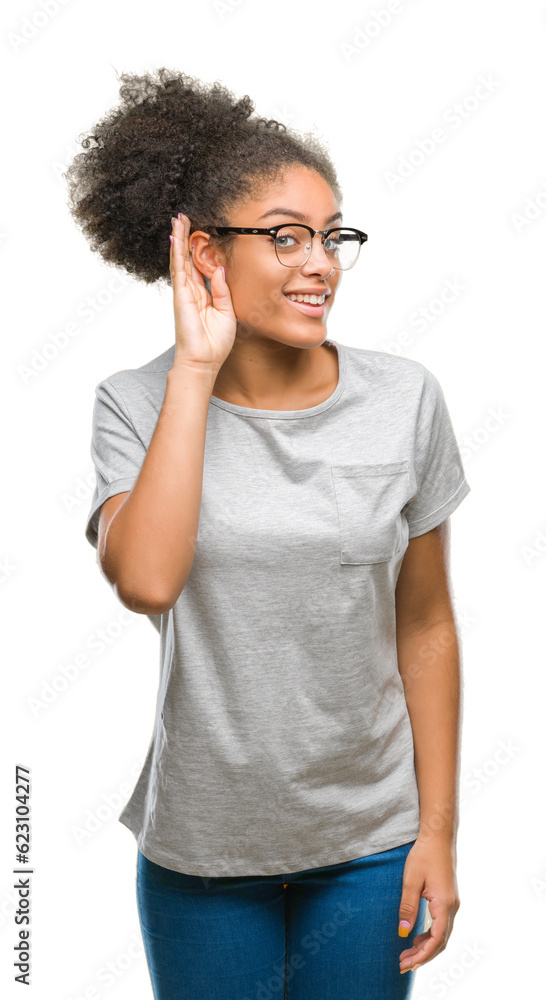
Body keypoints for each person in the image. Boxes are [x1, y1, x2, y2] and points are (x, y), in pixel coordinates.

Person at [66, 67, 471, 999]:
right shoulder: (134, 404)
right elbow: (148, 581)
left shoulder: (404, 398)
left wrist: (438, 835)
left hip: (371, 842)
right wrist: (194, 374)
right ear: (204, 253)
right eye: (286, 237)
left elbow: (428, 625)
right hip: (205, 848)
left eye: (333, 236)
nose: (321, 263)